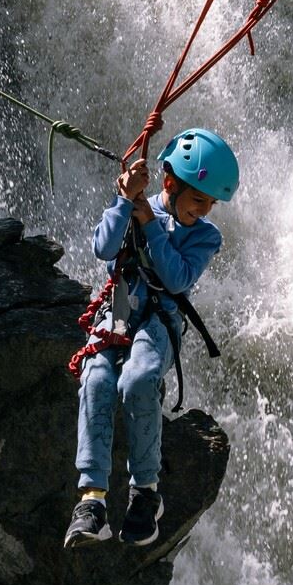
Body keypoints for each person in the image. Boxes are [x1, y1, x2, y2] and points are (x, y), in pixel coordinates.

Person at [65, 127, 238, 549]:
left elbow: (177, 279)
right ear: (169, 184)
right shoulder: (135, 201)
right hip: (118, 309)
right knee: (98, 380)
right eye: (199, 199)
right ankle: (92, 500)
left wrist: (149, 224)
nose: (205, 209)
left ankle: (146, 493)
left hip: (160, 319)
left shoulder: (206, 236)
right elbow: (103, 250)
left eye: (210, 203)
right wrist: (125, 201)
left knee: (139, 379)